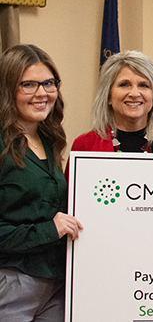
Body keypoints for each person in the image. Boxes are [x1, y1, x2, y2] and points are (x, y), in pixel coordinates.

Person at [0, 44, 82, 322]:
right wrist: (49, 230)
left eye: (48, 83)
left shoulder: (48, 140)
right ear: (8, 90)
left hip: (54, 283)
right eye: (29, 85)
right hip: (13, 282)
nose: (42, 93)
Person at [69, 51, 153, 158]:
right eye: (124, 84)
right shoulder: (85, 145)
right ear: (108, 96)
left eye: (143, 85)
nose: (134, 93)